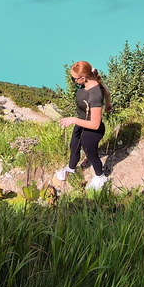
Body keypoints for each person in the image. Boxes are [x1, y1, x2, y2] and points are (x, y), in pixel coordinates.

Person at [55, 61, 113, 190]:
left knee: (90, 152)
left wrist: (74, 120)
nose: (73, 81)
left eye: (74, 78)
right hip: (82, 123)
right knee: (74, 146)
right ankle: (70, 169)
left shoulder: (95, 95)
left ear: (83, 78)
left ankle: (100, 176)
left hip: (92, 130)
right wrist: (108, 104)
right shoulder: (88, 83)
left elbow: (95, 124)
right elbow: (107, 92)